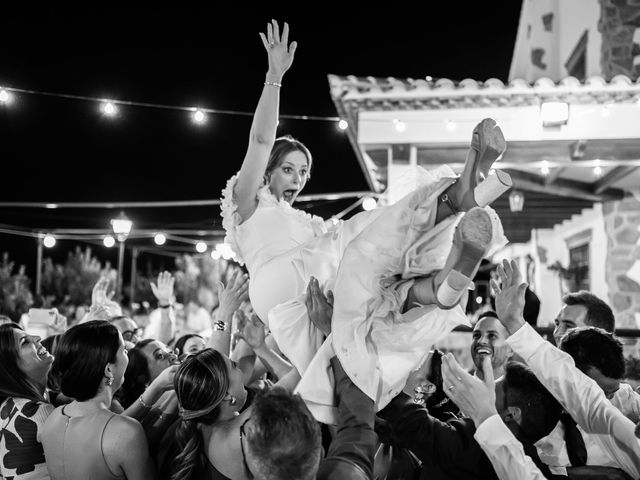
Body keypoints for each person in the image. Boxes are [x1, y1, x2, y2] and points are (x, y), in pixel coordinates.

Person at [221, 19, 510, 423]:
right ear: (268, 171)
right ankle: (453, 200)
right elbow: (260, 141)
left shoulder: (308, 222)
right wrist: (274, 77)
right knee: (369, 237)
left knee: (382, 276)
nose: (298, 179)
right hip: (283, 283)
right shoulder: (246, 202)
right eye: (289, 169)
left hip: (320, 281)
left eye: (303, 172)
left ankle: (444, 280)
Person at [489, 259, 640, 479]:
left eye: (568, 326)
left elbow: (582, 393)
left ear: (597, 335)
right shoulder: (533, 388)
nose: (557, 333)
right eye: (557, 324)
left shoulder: (624, 408)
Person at [166, 314, 299, 480]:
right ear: (227, 396)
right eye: (234, 366)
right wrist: (261, 348)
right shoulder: (246, 427)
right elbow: (297, 377)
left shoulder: (193, 425)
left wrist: (257, 346)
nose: (240, 370)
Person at [41, 320, 155, 479]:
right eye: (124, 351)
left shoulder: (53, 418)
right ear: (109, 369)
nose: (128, 354)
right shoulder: (125, 432)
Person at [0, 323, 55, 480]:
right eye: (24, 342)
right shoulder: (37, 412)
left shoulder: (10, 403)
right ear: (9, 366)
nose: (38, 338)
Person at [470, 310, 513, 381]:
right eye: (477, 335)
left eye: (492, 335)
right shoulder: (454, 386)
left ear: (510, 349)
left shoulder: (524, 390)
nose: (481, 341)